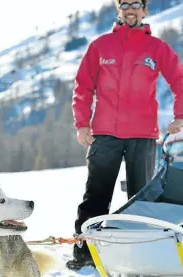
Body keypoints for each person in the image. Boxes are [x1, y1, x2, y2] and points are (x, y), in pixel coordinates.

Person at [68, 0, 183, 270]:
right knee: (96, 197)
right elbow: (83, 86)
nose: (130, 9)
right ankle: (84, 255)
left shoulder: (157, 48)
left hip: (143, 137)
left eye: (136, 4)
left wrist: (179, 116)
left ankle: (140, 259)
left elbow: (179, 80)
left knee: (140, 202)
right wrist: (82, 124)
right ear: (118, 10)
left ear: (145, 10)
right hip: (104, 135)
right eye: (125, 4)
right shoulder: (100, 46)